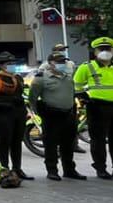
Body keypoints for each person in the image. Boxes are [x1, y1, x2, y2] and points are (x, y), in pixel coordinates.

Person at [74, 36, 113, 180]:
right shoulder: (87, 67)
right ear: (95, 52)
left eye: (108, 49)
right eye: (101, 49)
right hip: (98, 107)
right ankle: (101, 168)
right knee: (98, 140)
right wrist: (84, 98)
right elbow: (76, 85)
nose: (105, 52)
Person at [28, 48, 86, 180]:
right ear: (50, 63)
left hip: (69, 114)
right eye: (58, 62)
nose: (62, 64)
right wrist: (41, 112)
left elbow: (71, 95)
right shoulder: (41, 78)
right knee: (51, 144)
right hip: (51, 115)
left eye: (63, 62)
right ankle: (52, 170)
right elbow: (33, 98)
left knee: (68, 144)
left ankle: (69, 170)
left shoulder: (68, 78)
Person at [0, 51, 31, 179]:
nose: (12, 65)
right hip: (2, 114)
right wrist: (1, 104)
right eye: (9, 63)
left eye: (13, 63)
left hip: (18, 113)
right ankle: (4, 169)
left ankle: (17, 168)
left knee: (17, 141)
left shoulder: (17, 78)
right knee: (4, 141)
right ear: (2, 65)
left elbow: (21, 94)